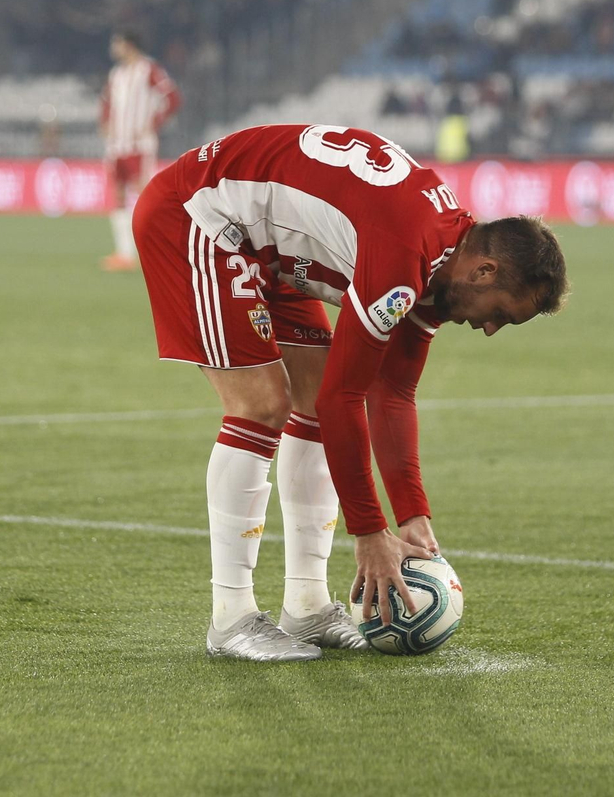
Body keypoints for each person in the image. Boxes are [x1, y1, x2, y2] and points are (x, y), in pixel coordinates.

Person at [131, 124, 568, 661]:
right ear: (485, 270)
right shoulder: (405, 258)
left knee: (310, 402)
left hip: (268, 243)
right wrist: (368, 533)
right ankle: (232, 618)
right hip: (198, 213)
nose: (492, 329)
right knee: (262, 406)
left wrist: (412, 515)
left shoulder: (442, 265)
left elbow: (393, 393)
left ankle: (308, 606)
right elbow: (348, 397)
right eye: (501, 313)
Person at [100, 30, 181, 271]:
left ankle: (165, 247)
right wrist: (105, 124)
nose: (114, 48)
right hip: (117, 144)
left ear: (129, 45)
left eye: (117, 43)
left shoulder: (149, 69)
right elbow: (106, 102)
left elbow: (172, 97)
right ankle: (125, 253)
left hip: (139, 144)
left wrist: (153, 123)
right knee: (118, 194)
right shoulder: (116, 74)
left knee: (145, 193)